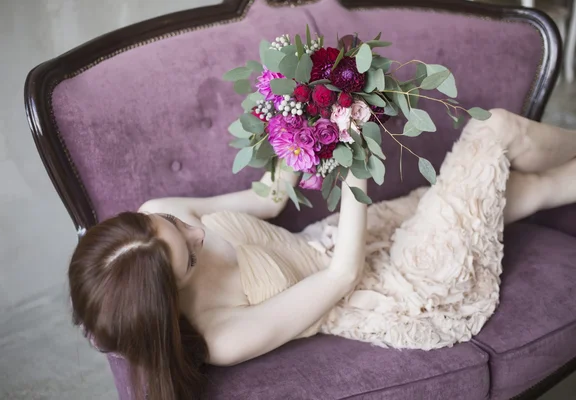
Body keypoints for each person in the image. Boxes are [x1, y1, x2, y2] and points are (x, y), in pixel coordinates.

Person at [68, 109, 576, 400]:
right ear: (170, 292)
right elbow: (342, 276)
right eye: (188, 257)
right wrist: (354, 163)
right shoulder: (219, 336)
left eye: (176, 225)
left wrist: (298, 126)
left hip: (343, 234)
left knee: (524, 188)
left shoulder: (157, 212)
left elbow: (266, 201)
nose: (195, 232)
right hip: (389, 282)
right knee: (495, 131)